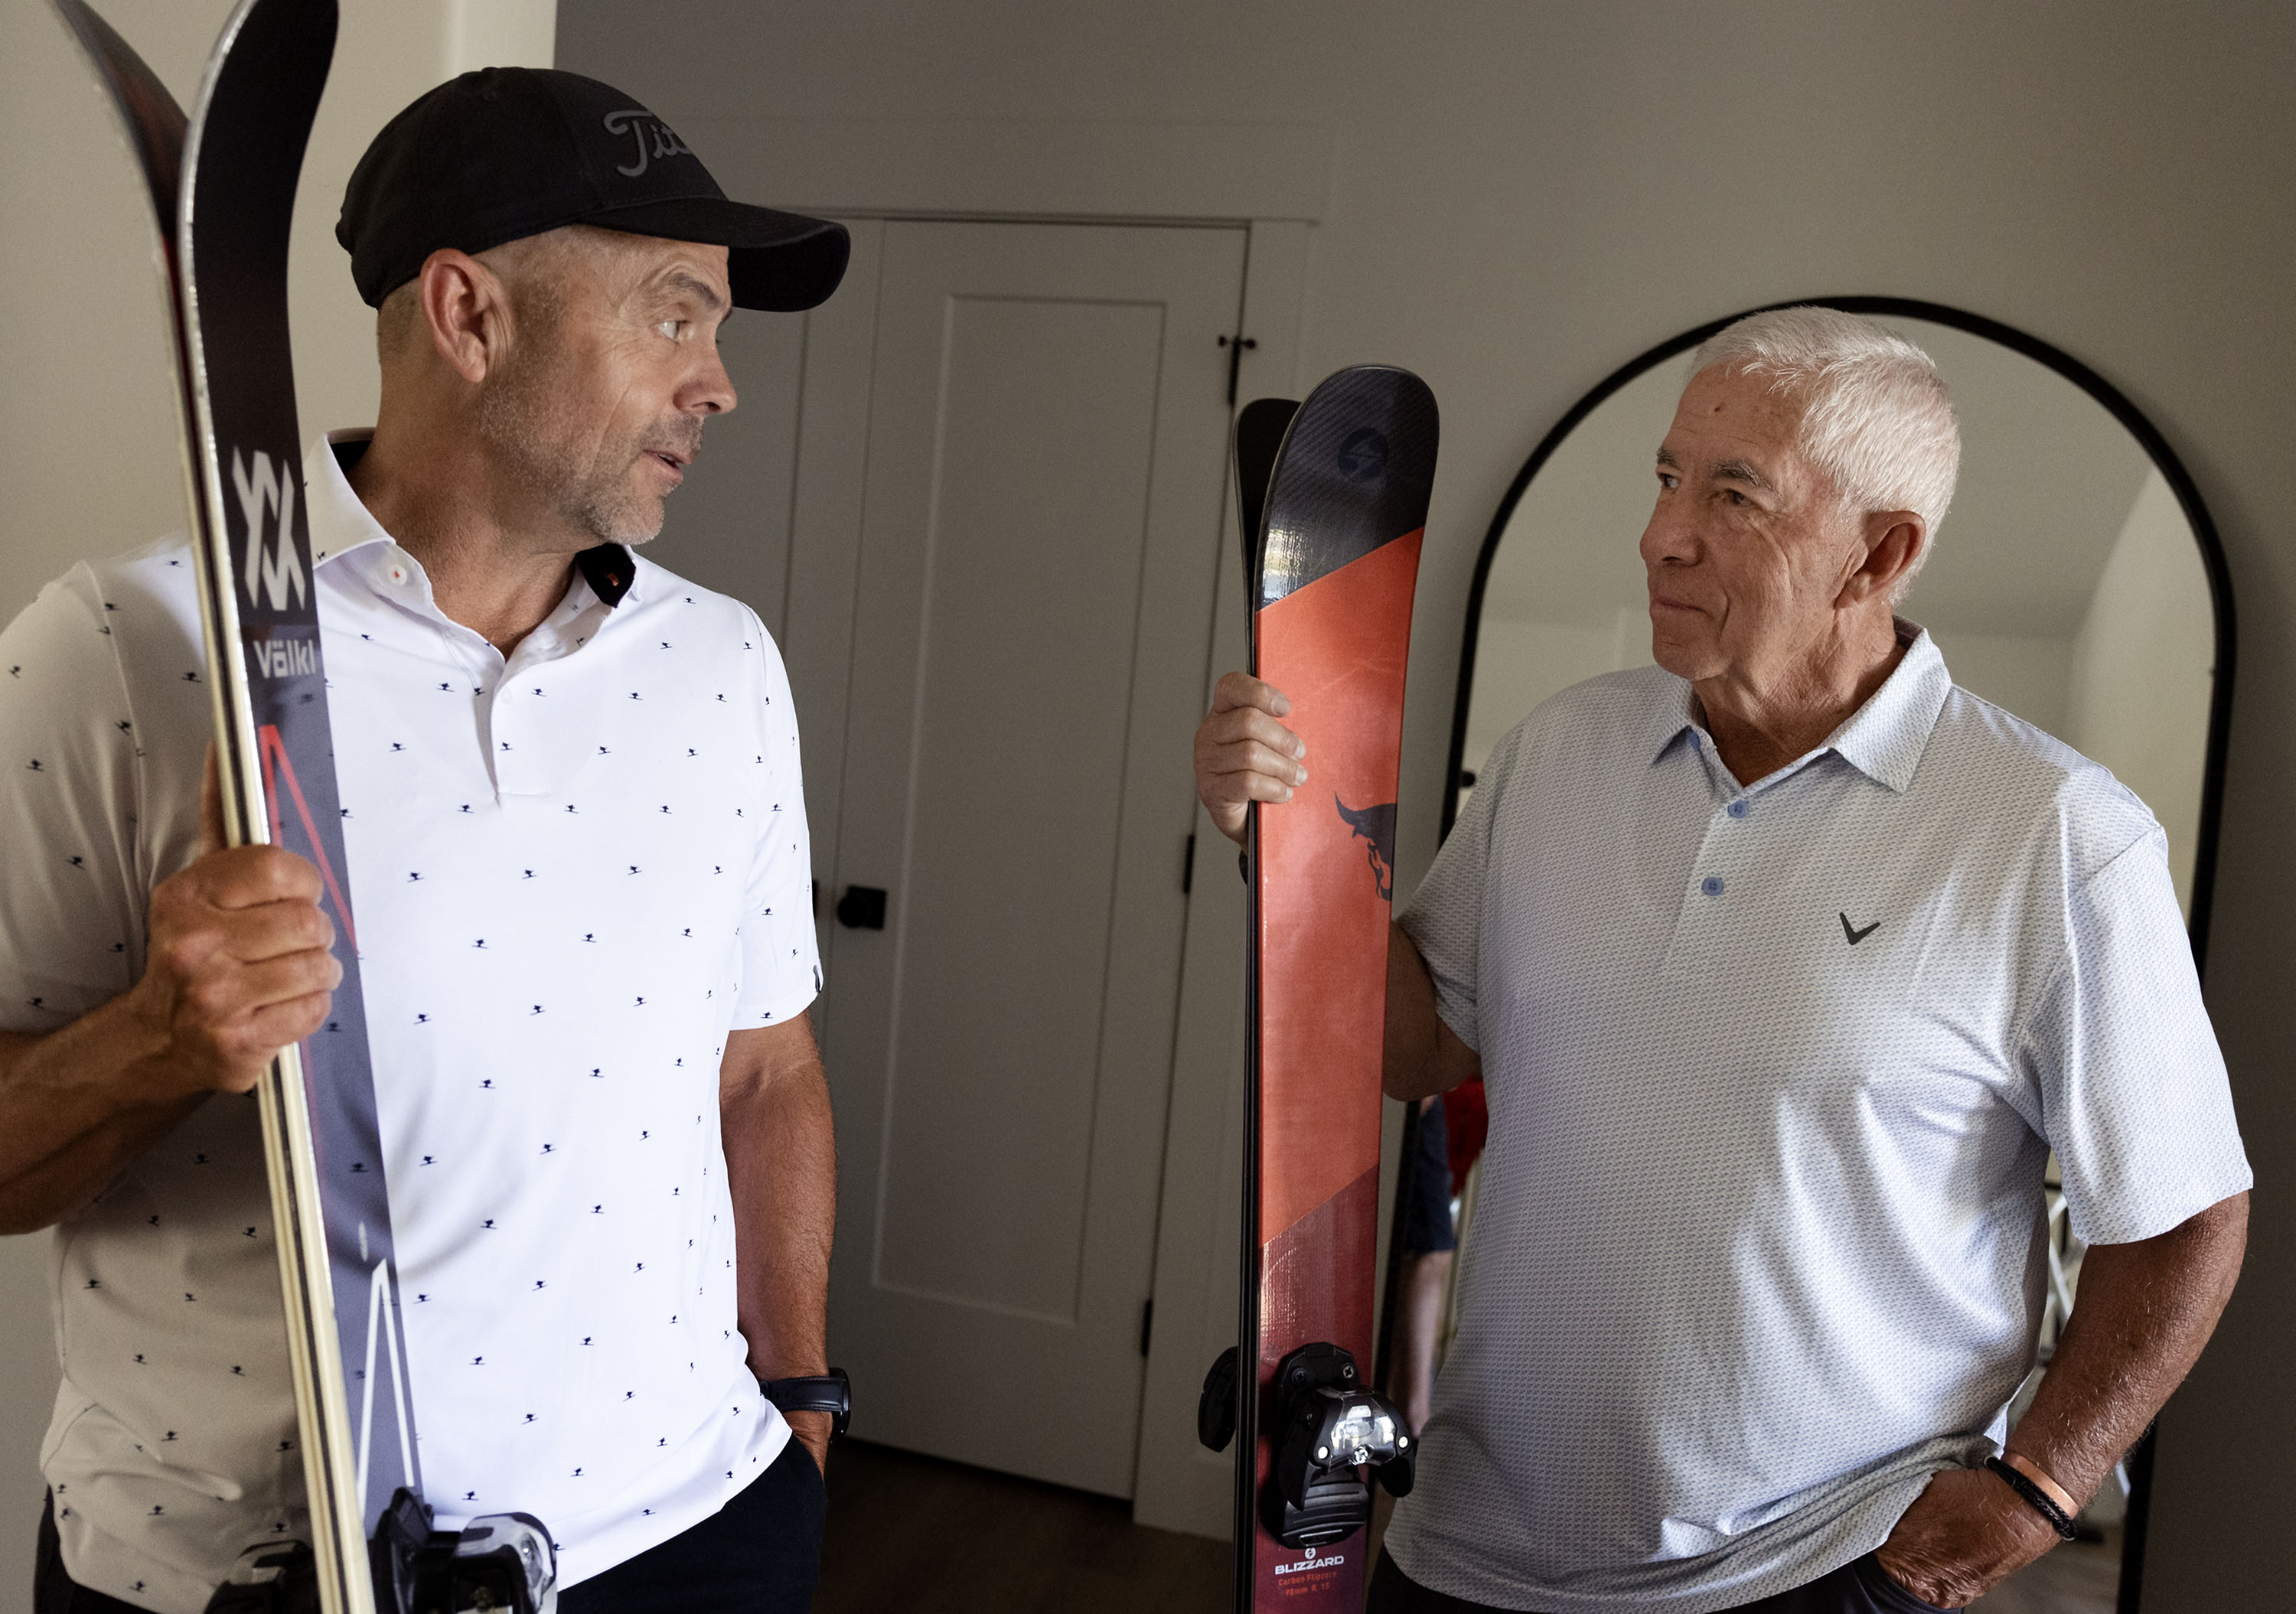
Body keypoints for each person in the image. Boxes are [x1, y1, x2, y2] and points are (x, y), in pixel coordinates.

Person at [1192, 308, 2250, 1612]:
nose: (1660, 533)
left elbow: (2188, 1215)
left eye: (1733, 493)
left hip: (1808, 1567)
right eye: (1666, 478)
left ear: (1881, 553)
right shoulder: (1559, 751)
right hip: (1464, 1546)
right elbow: (1420, 1045)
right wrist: (1288, 848)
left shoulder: (2056, 835)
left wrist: (2036, 1490)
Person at [0, 68, 848, 1614]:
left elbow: (766, 1065)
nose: (719, 379)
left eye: (719, 327)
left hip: (698, 1533)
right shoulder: (124, 646)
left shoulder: (723, 665)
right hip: (250, 1572)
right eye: (674, 312)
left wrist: (798, 1396)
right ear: (470, 317)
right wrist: (154, 1042)